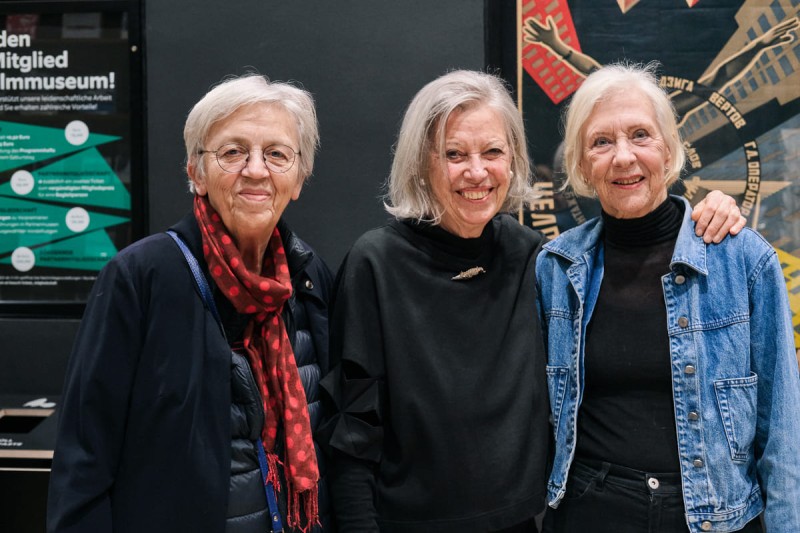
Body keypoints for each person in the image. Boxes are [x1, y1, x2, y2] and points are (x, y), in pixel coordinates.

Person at [320, 69, 744, 532]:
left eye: (493, 152)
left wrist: (710, 208)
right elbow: (352, 436)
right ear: (422, 164)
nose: (477, 172)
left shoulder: (532, 258)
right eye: (454, 154)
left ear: (514, 159)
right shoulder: (375, 263)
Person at [47, 74, 334, 533]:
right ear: (196, 173)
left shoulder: (309, 277)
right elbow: (85, 455)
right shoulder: (140, 278)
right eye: (232, 152)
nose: (256, 170)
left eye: (277, 154)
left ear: (299, 178)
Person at [535, 62, 800, 533]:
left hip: (713, 518)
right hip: (590, 513)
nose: (623, 157)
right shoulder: (555, 267)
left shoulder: (742, 260)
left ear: (670, 149)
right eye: (601, 142)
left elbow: (782, 432)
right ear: (580, 164)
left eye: (641, 135)